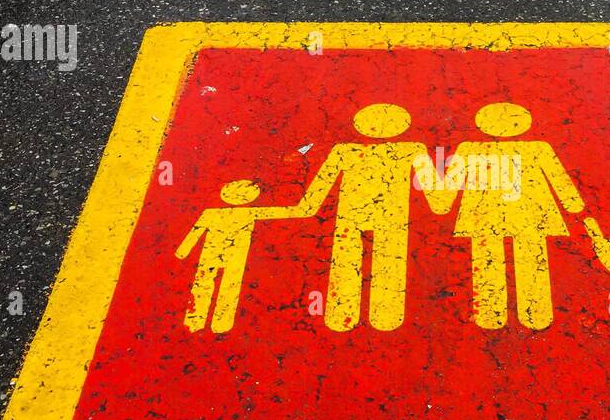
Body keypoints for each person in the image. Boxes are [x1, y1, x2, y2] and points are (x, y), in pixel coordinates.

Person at [430, 103, 584, 330]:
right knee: (530, 258)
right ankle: (535, 313)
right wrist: (573, 204)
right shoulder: (537, 148)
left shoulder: (470, 148)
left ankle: (491, 314)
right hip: (529, 213)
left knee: (487, 258)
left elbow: (453, 181)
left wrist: (442, 203)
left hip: (485, 214)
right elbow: (558, 178)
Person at [300, 103, 445, 332]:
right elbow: (432, 187)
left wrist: (304, 209)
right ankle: (387, 316)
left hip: (351, 213)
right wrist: (441, 204)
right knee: (389, 262)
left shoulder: (344, 150)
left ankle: (341, 315)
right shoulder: (411, 149)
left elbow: (321, 185)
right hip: (393, 214)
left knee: (346, 261)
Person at [175, 179, 311, 334]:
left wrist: (183, 251)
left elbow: (195, 233)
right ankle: (220, 322)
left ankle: (197, 320)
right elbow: (289, 211)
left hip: (215, 254)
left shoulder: (213, 213)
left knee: (208, 283)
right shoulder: (246, 212)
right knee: (226, 285)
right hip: (231, 254)